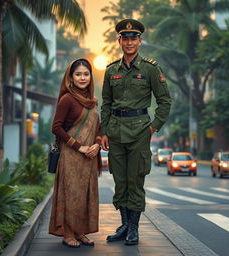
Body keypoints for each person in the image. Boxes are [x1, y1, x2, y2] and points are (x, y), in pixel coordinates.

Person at [101, 19, 171, 245]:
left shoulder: (151, 68)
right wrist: (104, 131)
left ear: (140, 41)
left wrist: (153, 128)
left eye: (134, 38)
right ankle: (123, 224)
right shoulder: (111, 70)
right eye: (125, 38)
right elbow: (106, 103)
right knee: (119, 182)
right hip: (115, 132)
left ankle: (134, 228)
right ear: (119, 41)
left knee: (135, 182)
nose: (129, 42)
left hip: (140, 131)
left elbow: (164, 102)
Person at [49, 58, 102, 248]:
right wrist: (79, 146)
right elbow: (56, 127)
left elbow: (99, 128)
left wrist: (96, 144)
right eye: (78, 74)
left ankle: (81, 232)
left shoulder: (92, 102)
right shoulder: (67, 99)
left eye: (86, 74)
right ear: (70, 77)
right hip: (72, 155)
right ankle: (68, 233)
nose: (82, 77)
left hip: (89, 157)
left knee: (85, 194)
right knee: (71, 194)